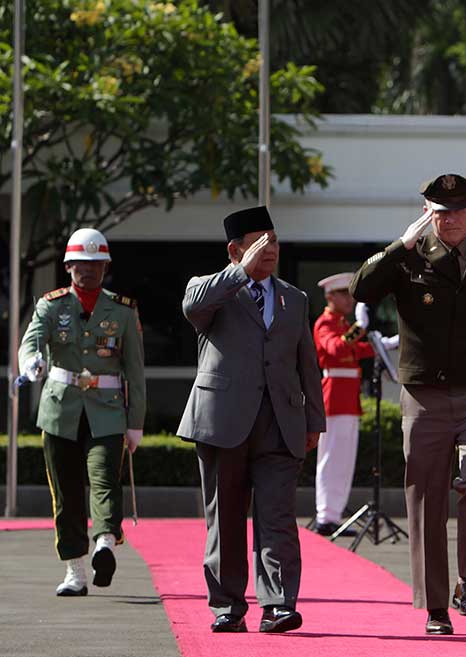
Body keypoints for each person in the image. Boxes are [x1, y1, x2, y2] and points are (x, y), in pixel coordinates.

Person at [350, 173, 466, 636]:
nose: (449, 220)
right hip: (425, 394)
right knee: (427, 498)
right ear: (427, 213)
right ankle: (436, 607)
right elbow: (361, 289)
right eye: (439, 212)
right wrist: (400, 245)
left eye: (456, 211)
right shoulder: (409, 257)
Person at [177, 206, 325, 634]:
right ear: (235, 249)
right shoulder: (210, 291)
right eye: (260, 242)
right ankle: (227, 604)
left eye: (274, 240)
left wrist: (314, 420)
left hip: (280, 421)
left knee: (278, 516)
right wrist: (240, 272)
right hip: (223, 421)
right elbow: (193, 306)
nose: (270, 249)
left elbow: (306, 365)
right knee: (225, 516)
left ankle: (279, 603)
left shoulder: (293, 299)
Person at [18, 228, 146, 596]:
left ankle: (104, 543)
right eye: (81, 265)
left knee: (105, 480)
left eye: (95, 264)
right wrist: (30, 365)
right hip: (60, 410)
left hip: (107, 411)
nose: (87, 271)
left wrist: (135, 421)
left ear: (105, 267)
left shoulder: (122, 311)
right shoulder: (51, 305)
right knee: (66, 491)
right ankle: (75, 570)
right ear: (68, 266)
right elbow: (31, 343)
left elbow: (135, 372)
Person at [311, 273, 375, 536]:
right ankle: (325, 515)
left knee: (344, 460)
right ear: (329, 297)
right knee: (331, 459)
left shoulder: (340, 322)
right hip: (334, 398)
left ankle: (334, 514)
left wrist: (381, 344)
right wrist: (359, 328)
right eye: (343, 294)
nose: (349, 299)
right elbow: (336, 348)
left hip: (347, 399)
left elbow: (357, 350)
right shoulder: (325, 323)